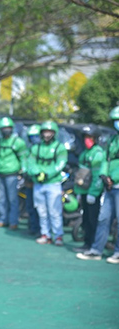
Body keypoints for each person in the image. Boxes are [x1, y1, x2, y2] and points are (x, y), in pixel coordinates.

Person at [77, 106, 119, 264]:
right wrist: (104, 175)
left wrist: (114, 177)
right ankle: (96, 250)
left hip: (117, 185)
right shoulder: (112, 141)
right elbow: (106, 162)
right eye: (115, 121)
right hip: (110, 187)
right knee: (103, 219)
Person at [27, 120, 68, 246]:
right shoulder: (36, 148)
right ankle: (45, 234)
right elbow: (31, 164)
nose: (47, 134)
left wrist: (46, 173)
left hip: (53, 183)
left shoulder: (59, 148)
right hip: (38, 184)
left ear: (54, 133)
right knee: (41, 211)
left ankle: (58, 235)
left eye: (49, 131)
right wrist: (37, 173)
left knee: (54, 211)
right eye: (45, 131)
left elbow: (60, 164)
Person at [72, 124, 105, 253]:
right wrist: (79, 192)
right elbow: (81, 173)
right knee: (86, 219)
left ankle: (93, 245)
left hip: (93, 193)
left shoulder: (98, 154)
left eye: (90, 137)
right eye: (86, 137)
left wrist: (93, 193)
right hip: (84, 191)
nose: (87, 140)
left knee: (93, 220)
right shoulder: (84, 153)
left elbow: (97, 176)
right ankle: (87, 243)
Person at [0, 117, 28, 230]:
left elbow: (23, 157)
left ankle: (13, 221)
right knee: (1, 198)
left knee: (12, 199)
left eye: (8, 128)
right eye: (3, 128)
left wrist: (23, 170)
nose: (5, 130)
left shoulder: (18, 142)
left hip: (12, 174)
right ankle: (2, 219)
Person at [25, 124, 41, 236]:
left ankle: (41, 229)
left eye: (36, 136)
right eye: (31, 137)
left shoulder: (43, 149)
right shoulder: (29, 150)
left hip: (40, 182)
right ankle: (33, 226)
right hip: (30, 182)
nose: (34, 139)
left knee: (40, 207)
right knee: (30, 205)